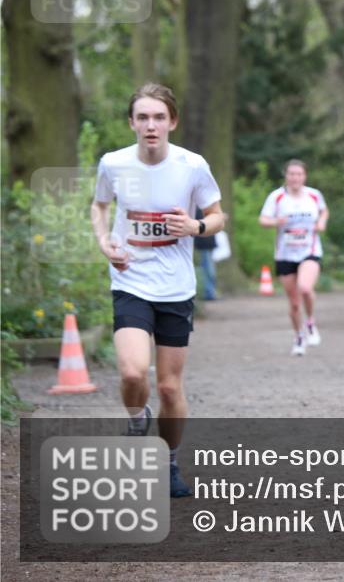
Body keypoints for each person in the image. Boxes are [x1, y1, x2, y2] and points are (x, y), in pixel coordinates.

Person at [91, 82, 225, 498]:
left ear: (172, 121)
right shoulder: (113, 164)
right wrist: (104, 243)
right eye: (143, 117)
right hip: (130, 280)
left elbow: (218, 216)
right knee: (132, 372)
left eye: (159, 117)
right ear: (132, 123)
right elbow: (100, 207)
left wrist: (196, 226)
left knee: (169, 386)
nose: (151, 125)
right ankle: (136, 418)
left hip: (175, 287)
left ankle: (168, 462)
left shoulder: (192, 166)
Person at [259, 160, 329, 356]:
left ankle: (310, 322)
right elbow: (263, 219)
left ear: (304, 176)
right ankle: (298, 336)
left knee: (306, 288)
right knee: (294, 302)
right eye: (291, 174)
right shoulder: (277, 197)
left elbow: (324, 210)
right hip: (285, 254)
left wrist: (322, 222)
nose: (295, 177)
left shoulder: (314, 195)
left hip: (310, 250)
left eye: (298, 174)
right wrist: (275, 221)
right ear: (285, 175)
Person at [194, 208, 217, 300]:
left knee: (207, 268)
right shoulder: (200, 210)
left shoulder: (204, 210)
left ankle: (209, 292)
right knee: (207, 269)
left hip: (206, 244)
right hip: (204, 244)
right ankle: (208, 293)